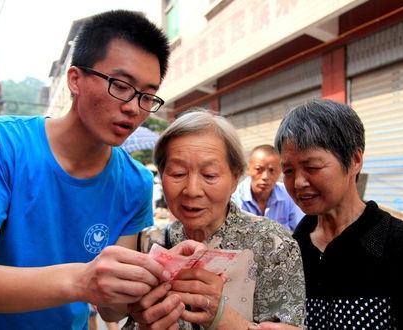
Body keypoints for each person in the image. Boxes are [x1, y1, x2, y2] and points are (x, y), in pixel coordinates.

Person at [0, 10, 203, 330]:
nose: (133, 107)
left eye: (147, 96)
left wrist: (155, 276)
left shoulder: (134, 182)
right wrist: (82, 280)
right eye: (121, 85)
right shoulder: (0, 143)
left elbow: (111, 311)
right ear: (75, 79)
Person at [124, 109, 305, 329]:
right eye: (178, 174)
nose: (192, 190)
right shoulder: (151, 243)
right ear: (161, 176)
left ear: (235, 178)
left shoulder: (274, 244)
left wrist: (222, 318)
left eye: (209, 175)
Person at [274, 99, 403, 329]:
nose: (298, 182)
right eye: (288, 171)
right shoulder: (290, 251)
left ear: (355, 160)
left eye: (312, 167)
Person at [232, 145, 304, 231]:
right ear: (248, 169)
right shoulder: (234, 200)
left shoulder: (289, 195)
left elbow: (301, 230)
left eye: (272, 170)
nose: (265, 176)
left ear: (280, 172)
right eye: (259, 169)